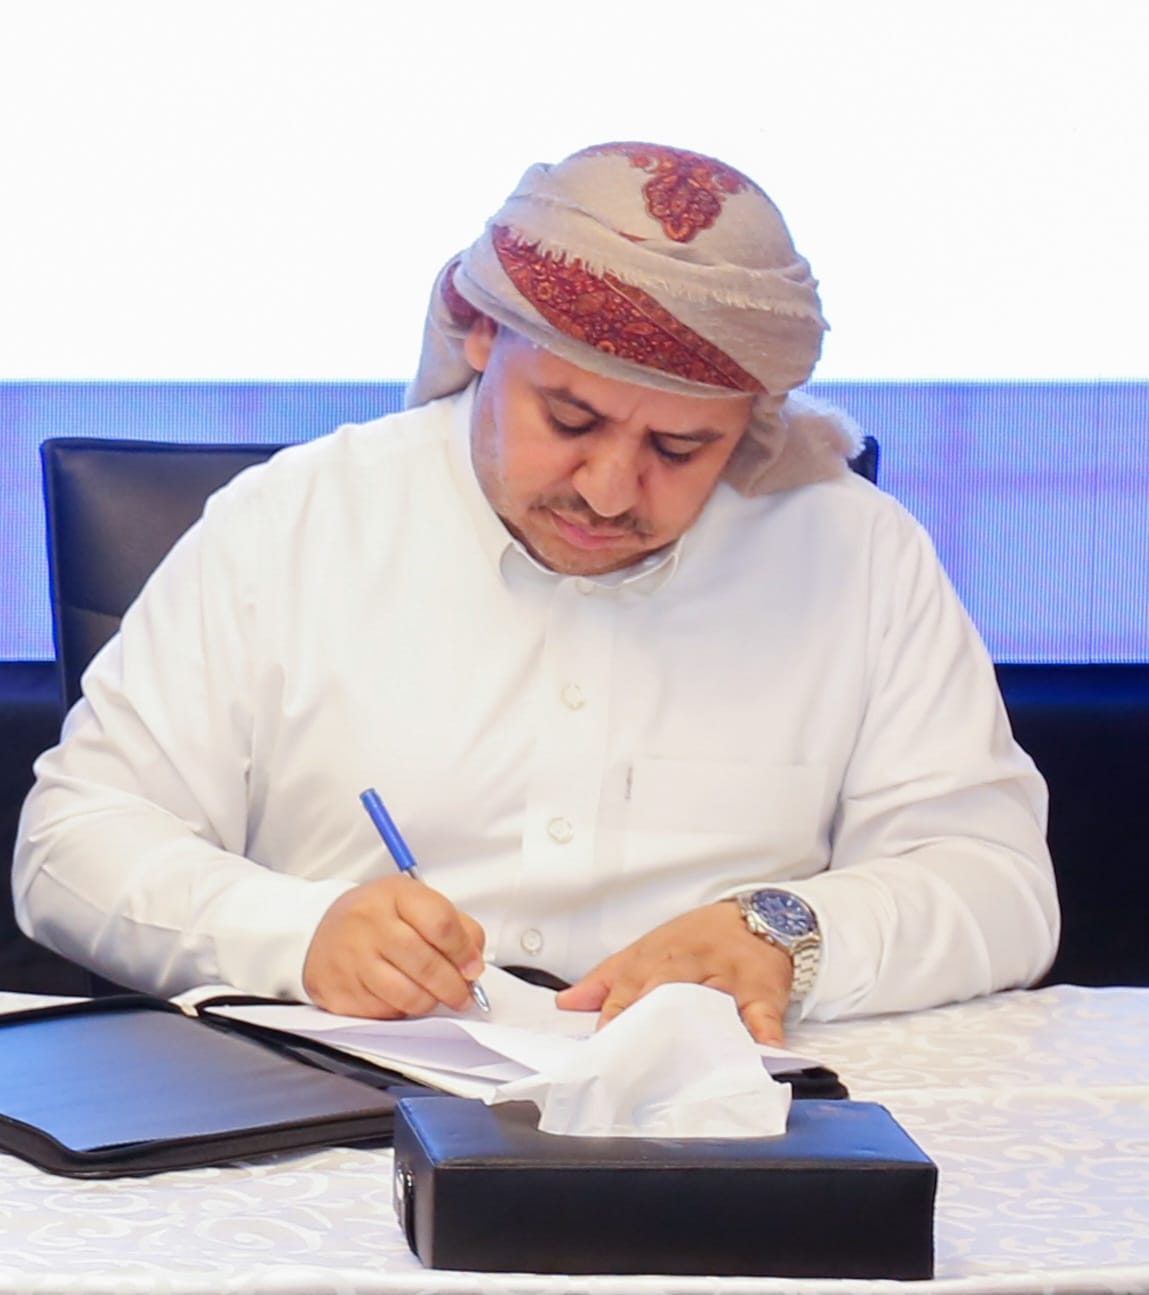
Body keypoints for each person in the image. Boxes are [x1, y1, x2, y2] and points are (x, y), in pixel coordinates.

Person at [13, 142, 1059, 1044]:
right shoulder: (293, 520)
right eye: (569, 419)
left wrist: (788, 931)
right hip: (335, 1115)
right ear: (480, 335)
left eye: (679, 448)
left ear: (749, 421)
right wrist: (295, 933)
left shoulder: (853, 551)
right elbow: (72, 845)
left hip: (724, 1120)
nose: (609, 489)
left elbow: (997, 883)